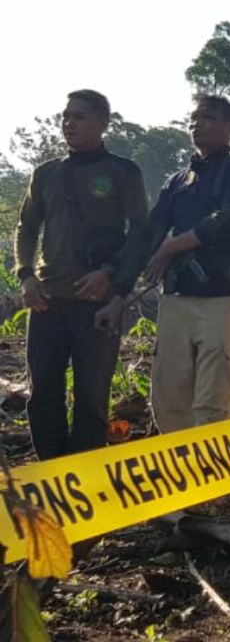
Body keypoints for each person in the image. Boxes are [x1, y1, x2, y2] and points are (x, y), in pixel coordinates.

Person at [15, 89, 150, 459]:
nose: (68, 123)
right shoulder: (46, 174)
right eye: (66, 116)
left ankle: (86, 482)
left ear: (103, 123)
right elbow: (26, 229)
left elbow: (140, 233)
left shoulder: (123, 171)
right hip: (48, 302)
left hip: (98, 306)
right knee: (42, 394)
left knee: (91, 398)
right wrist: (26, 276)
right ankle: (51, 478)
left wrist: (112, 276)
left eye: (79, 116)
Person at [141, 96, 230, 433]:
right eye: (194, 118)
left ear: (229, 127)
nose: (196, 124)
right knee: (169, 390)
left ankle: (212, 471)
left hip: (219, 296)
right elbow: (152, 231)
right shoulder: (176, 181)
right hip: (176, 295)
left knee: (214, 390)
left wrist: (173, 247)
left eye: (207, 117)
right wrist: (121, 275)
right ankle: (177, 468)